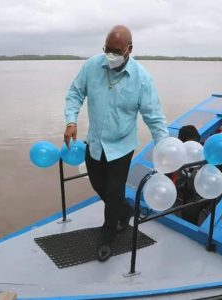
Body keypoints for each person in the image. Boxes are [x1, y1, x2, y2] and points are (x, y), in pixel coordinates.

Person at [63, 25, 169, 261]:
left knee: (113, 192)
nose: (111, 54)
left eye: (117, 50)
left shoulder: (142, 78)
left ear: (129, 49)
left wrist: (165, 149)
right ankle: (125, 211)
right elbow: (75, 93)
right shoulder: (92, 66)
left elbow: (154, 116)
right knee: (99, 186)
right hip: (95, 143)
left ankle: (107, 238)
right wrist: (71, 121)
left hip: (121, 146)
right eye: (107, 49)